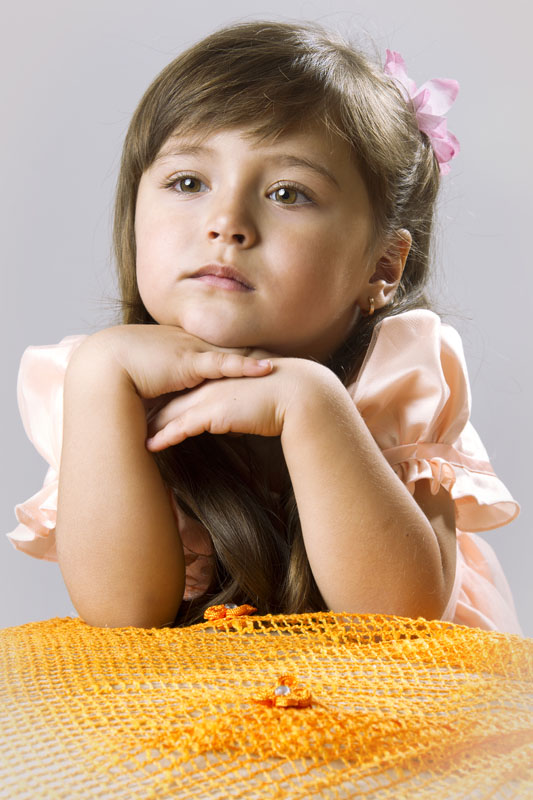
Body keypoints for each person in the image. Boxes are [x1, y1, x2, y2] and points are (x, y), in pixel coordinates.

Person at [7, 21, 523, 634]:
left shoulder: (401, 382)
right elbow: (125, 617)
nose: (226, 222)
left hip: (387, 693)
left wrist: (311, 405)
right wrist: (101, 377)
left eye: (287, 193)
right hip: (200, 693)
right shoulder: (100, 382)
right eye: (189, 182)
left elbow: (400, 623)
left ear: (382, 266)